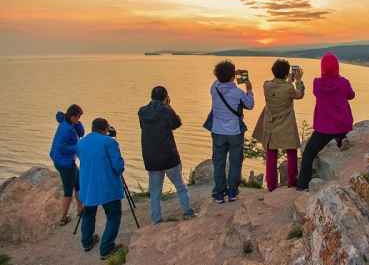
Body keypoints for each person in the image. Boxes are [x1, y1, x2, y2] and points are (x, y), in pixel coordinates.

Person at [297, 52, 355, 191]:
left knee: (308, 153)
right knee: (342, 139)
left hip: (323, 129)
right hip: (342, 126)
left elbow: (317, 93)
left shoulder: (317, 83)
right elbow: (351, 96)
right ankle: (341, 140)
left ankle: (302, 185)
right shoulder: (343, 82)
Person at [138, 86, 195, 224]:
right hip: (169, 156)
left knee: (155, 192)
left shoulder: (142, 112)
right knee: (180, 186)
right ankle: (187, 212)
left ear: (151, 97)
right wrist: (168, 106)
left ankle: (156, 220)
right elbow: (176, 124)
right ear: (165, 97)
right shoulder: (166, 110)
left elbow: (144, 127)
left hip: (151, 158)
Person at [253, 59, 305, 192]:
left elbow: (280, 89)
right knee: (291, 151)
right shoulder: (289, 88)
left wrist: (289, 81)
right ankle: (292, 181)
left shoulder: (266, 86)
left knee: (271, 154)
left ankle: (271, 185)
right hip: (286, 124)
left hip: (271, 124)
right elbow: (299, 95)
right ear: (287, 73)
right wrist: (297, 80)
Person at [77, 118, 125, 260]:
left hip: (87, 187)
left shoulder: (81, 143)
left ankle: (87, 242)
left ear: (92, 128)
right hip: (107, 187)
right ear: (105, 129)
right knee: (113, 216)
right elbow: (118, 167)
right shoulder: (109, 142)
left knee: (88, 213)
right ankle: (106, 248)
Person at [207, 60, 254, 203]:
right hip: (234, 133)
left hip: (218, 132)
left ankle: (219, 194)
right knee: (235, 163)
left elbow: (219, 80)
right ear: (233, 76)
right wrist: (249, 88)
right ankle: (232, 193)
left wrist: (227, 74)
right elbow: (250, 105)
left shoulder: (214, 88)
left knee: (219, 163)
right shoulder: (238, 92)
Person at [49, 104, 85, 226]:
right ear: (73, 116)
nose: (79, 119)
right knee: (68, 190)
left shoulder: (66, 121)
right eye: (78, 117)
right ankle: (63, 218)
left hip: (61, 160)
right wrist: (78, 147)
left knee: (78, 182)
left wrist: (77, 123)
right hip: (65, 162)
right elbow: (62, 148)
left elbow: (81, 133)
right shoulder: (67, 129)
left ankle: (81, 209)